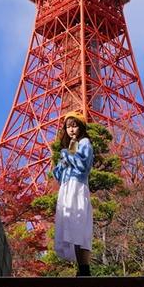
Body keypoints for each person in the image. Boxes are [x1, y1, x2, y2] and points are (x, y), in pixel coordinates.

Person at [53, 110, 94, 276]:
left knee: (78, 224)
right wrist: (62, 161)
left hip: (77, 186)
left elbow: (83, 166)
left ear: (81, 127)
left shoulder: (85, 143)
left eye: (74, 125)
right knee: (71, 225)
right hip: (66, 188)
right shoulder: (71, 146)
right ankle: (81, 268)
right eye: (68, 126)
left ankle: (84, 268)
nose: (71, 130)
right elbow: (58, 174)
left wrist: (66, 156)